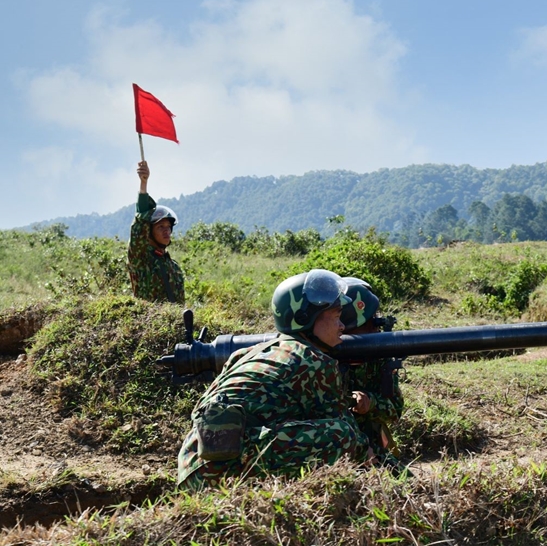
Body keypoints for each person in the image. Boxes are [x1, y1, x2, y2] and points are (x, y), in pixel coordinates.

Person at [176, 269, 376, 489]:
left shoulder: (249, 353)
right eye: (337, 316)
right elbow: (352, 438)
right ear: (305, 319)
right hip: (222, 474)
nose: (342, 326)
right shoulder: (314, 360)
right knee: (343, 435)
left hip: (192, 466)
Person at [340, 277, 404, 458]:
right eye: (369, 322)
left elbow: (395, 410)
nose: (375, 328)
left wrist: (370, 402)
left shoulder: (379, 359)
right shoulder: (321, 358)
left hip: (371, 440)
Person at [127, 160, 185, 303]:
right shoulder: (142, 258)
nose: (166, 231)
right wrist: (143, 184)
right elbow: (140, 224)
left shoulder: (174, 266)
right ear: (149, 231)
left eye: (168, 227)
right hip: (148, 322)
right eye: (160, 227)